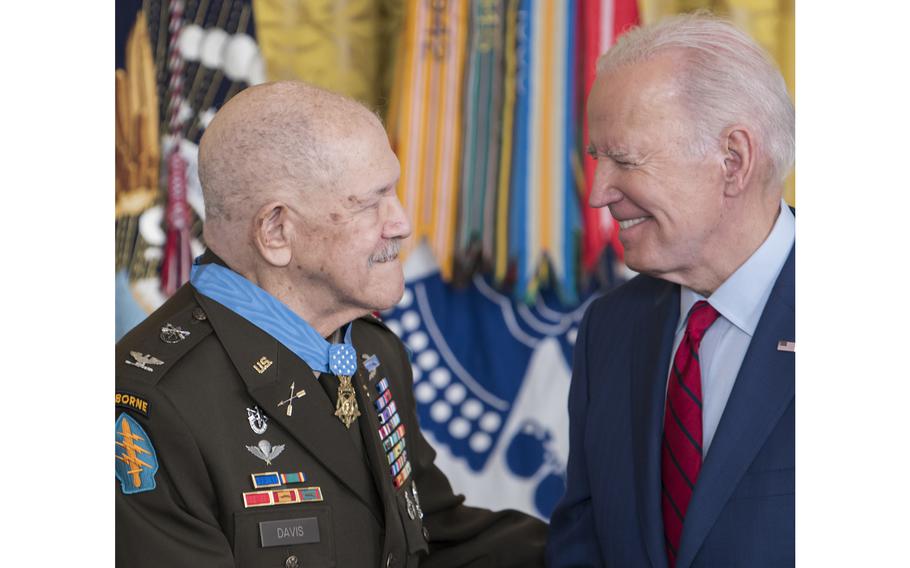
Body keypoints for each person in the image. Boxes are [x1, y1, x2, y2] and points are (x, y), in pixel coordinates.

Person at [115, 81, 547, 567]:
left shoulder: (370, 350)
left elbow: (436, 534)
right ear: (277, 231)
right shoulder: (151, 402)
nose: (401, 222)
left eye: (395, 191)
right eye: (372, 201)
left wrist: (617, 543)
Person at [547, 13, 795, 568]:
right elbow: (582, 543)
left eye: (625, 160)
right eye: (596, 160)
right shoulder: (609, 328)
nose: (597, 195)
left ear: (732, 161)